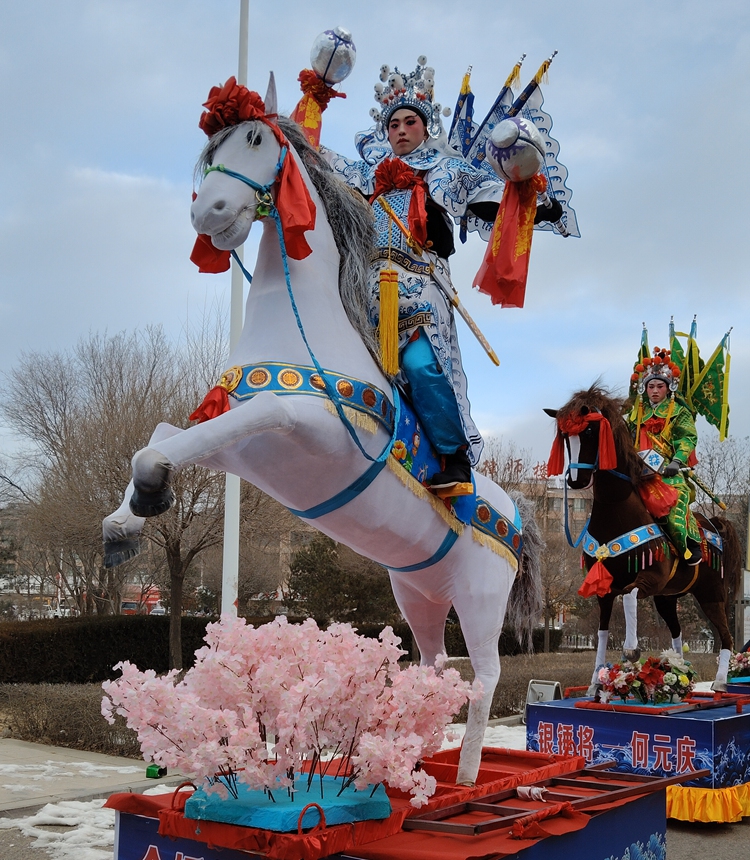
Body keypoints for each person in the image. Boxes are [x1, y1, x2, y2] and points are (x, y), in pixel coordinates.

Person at [323, 58, 520, 494]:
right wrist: (313, 103)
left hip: (417, 285)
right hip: (362, 294)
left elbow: (490, 195)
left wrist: (527, 187)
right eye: (393, 124)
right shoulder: (366, 175)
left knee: (419, 365)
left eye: (410, 121)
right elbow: (319, 162)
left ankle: (452, 460)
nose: (400, 130)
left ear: (425, 127)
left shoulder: (443, 170)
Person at [628, 350, 702, 564]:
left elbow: (687, 438)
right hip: (638, 472)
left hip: (668, 473)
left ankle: (689, 543)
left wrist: (677, 461)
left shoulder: (679, 412)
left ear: (669, 387)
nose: (654, 391)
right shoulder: (636, 414)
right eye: (650, 386)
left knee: (672, 504)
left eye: (660, 386)